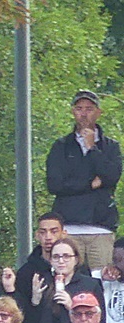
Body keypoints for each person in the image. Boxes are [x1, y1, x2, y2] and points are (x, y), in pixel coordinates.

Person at [46, 90, 122, 269]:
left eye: (89, 108)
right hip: (68, 226)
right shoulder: (61, 146)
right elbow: (55, 184)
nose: (84, 113)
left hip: (101, 226)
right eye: (79, 108)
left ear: (98, 112)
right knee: (66, 278)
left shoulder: (111, 146)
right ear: (73, 111)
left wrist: (92, 148)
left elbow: (112, 176)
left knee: (103, 280)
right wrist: (90, 183)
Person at [22, 237, 105, 323]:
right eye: (56, 257)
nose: (61, 261)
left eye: (66, 256)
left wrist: (72, 306)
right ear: (50, 261)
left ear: (76, 259)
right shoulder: (42, 282)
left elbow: (100, 322)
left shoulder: (90, 284)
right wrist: (35, 302)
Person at [15, 212, 71, 323]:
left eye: (54, 231)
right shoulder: (26, 272)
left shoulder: (78, 269)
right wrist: (35, 302)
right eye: (43, 232)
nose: (48, 237)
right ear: (37, 235)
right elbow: (21, 315)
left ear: (64, 234)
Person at [93, 237, 124, 323]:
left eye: (122, 260)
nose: (119, 265)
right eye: (115, 260)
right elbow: (82, 282)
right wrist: (101, 276)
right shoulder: (105, 283)